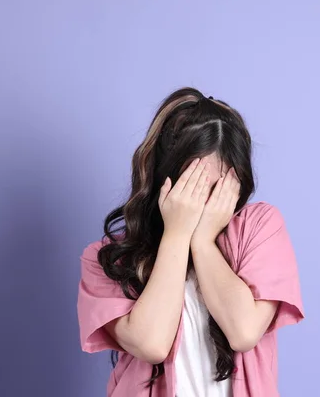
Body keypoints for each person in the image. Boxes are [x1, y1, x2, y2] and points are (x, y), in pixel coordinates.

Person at [76, 87, 305, 397]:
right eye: (191, 186)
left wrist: (203, 241)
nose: (201, 202)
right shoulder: (107, 258)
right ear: (162, 177)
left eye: (216, 189)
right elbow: (152, 343)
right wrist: (177, 234)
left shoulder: (260, 228)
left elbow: (243, 331)